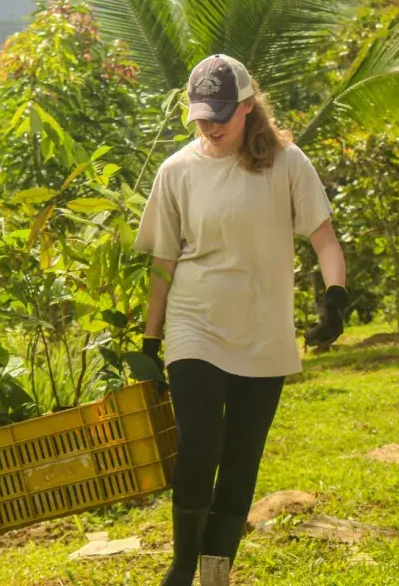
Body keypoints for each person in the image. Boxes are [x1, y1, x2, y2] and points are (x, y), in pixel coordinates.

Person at [135, 55, 348, 586]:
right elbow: (164, 262)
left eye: (220, 118)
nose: (209, 128)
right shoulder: (177, 171)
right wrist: (148, 338)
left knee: (242, 456)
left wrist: (336, 295)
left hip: (262, 328)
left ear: (249, 109)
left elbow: (324, 238)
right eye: (201, 118)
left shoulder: (287, 163)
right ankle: (183, 567)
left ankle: (215, 570)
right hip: (195, 321)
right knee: (201, 441)